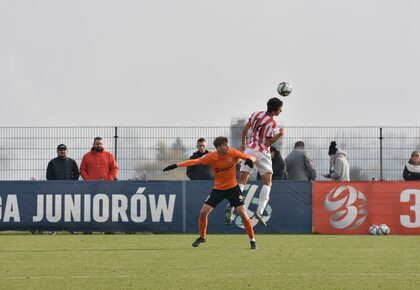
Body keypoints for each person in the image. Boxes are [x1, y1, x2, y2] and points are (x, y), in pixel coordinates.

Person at [163, 136, 258, 249]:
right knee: (203, 212)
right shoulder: (210, 157)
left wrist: (250, 160)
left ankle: (252, 240)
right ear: (218, 147)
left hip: (233, 189)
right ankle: (202, 237)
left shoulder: (232, 152)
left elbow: (251, 157)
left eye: (227, 144)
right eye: (224, 145)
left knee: (243, 213)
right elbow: (194, 161)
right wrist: (176, 165)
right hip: (218, 189)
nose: (227, 147)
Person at [225, 97, 285, 227]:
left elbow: (245, 130)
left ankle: (231, 204)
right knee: (268, 183)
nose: (281, 111)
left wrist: (243, 144)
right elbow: (267, 142)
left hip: (249, 150)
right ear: (275, 110)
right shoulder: (272, 123)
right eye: (280, 109)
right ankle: (260, 211)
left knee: (242, 180)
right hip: (262, 153)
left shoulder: (256, 114)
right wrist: (279, 135)